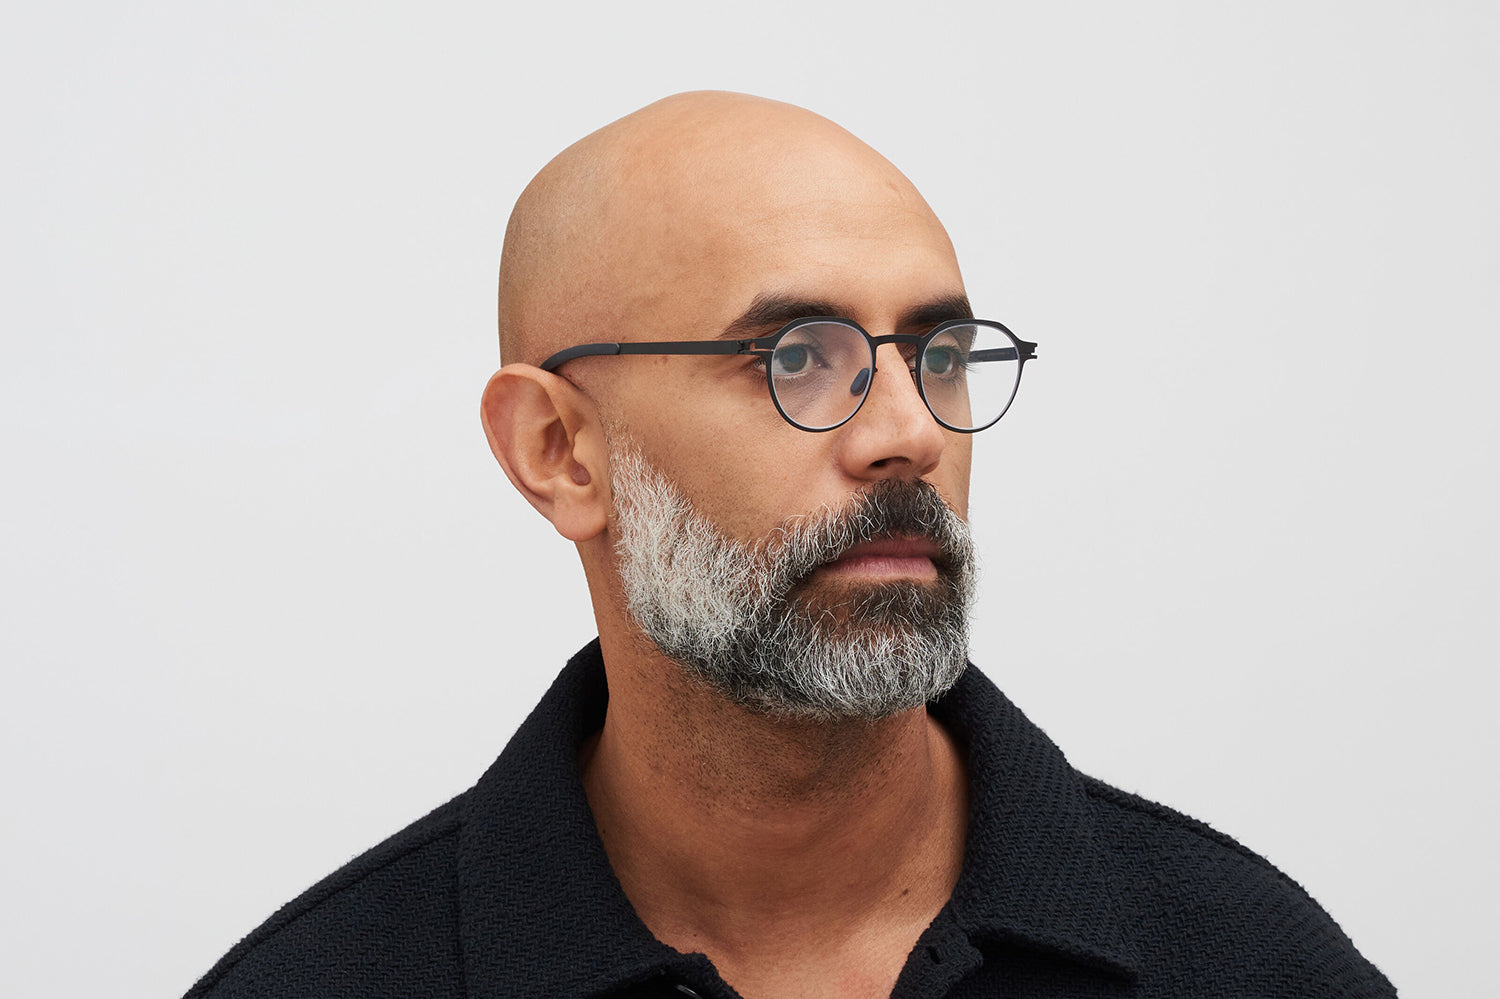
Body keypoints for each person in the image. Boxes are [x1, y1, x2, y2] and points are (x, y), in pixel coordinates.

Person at [184, 92, 1394, 999]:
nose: (909, 435)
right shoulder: (321, 981)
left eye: (939, 355)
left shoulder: (1251, 964)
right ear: (559, 451)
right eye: (797, 357)